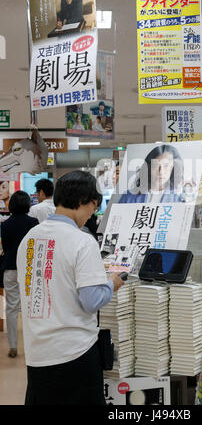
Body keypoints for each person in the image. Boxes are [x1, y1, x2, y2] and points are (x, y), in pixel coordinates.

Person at [17, 170, 124, 405]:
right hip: (75, 353)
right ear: (83, 201)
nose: (91, 215)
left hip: (37, 353)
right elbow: (92, 300)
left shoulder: (30, 239)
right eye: (93, 207)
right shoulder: (82, 241)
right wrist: (111, 284)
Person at [1, 191, 39, 358]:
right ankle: (33, 345)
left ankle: (13, 346)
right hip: (29, 269)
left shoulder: (5, 224)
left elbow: (7, 246)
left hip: (10, 267)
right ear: (27, 205)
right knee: (32, 306)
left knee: (11, 307)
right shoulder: (33, 222)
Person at [119, 144, 184, 204]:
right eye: (155, 165)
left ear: (173, 168)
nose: (161, 171)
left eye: (166, 165)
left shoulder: (180, 198)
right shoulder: (128, 196)